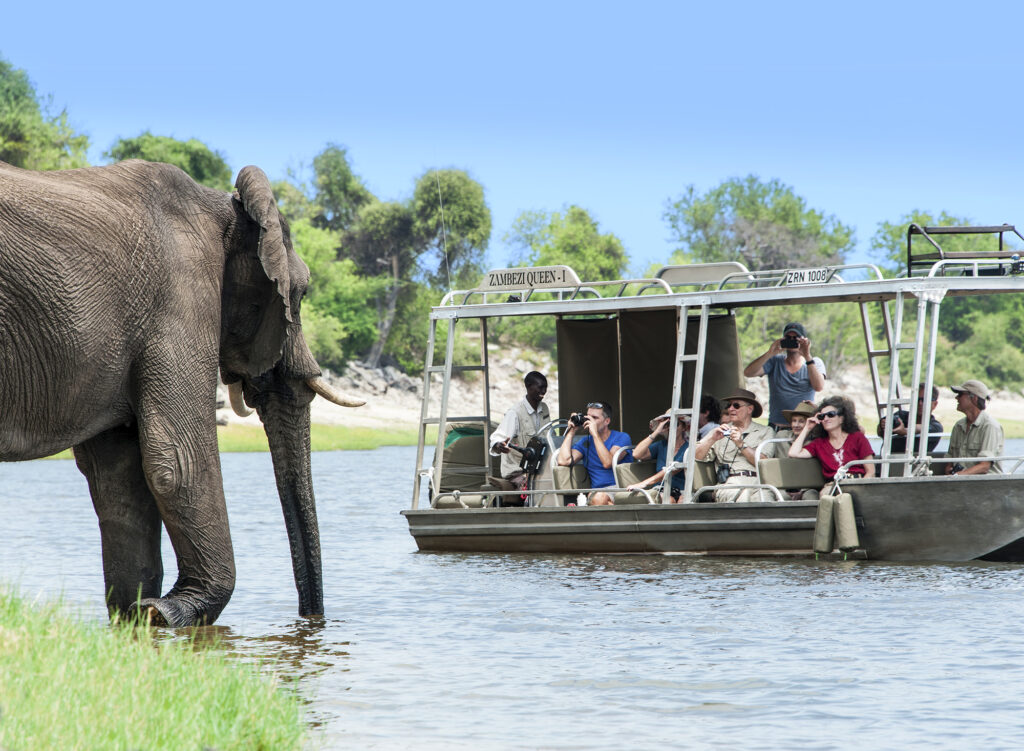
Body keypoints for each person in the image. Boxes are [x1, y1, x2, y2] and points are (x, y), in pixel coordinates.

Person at [694, 389, 776, 502]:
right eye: (729, 405)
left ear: (749, 409)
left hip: (759, 482)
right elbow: (696, 456)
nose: (730, 409)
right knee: (744, 496)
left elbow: (763, 461)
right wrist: (711, 439)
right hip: (730, 483)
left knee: (767, 500)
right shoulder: (719, 431)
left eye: (736, 405)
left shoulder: (766, 431)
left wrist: (741, 444)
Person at [743, 322, 826, 430]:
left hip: (804, 427)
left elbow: (818, 386)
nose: (792, 341)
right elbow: (748, 373)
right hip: (777, 426)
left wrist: (807, 355)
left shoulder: (814, 362)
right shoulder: (774, 361)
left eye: (796, 338)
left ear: (804, 340)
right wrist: (770, 353)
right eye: (788, 338)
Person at [788, 396, 875, 490]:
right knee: (826, 496)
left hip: (856, 483)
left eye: (831, 414)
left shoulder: (857, 437)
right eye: (822, 416)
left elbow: (871, 472)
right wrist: (807, 428)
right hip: (833, 486)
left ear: (841, 418)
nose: (825, 418)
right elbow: (793, 453)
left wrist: (860, 489)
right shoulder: (819, 443)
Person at [556, 401, 631, 506]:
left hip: (619, 487)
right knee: (597, 497)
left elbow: (608, 462)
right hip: (597, 492)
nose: (590, 421)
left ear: (607, 421)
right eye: (588, 417)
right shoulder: (586, 442)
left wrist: (595, 434)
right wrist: (572, 431)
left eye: (595, 418)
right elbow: (563, 460)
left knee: (598, 498)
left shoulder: (622, 437)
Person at [489, 371, 551, 491]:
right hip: (518, 473)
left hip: (540, 471)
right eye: (540, 387)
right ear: (528, 386)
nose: (543, 391)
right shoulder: (515, 413)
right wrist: (499, 445)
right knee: (539, 488)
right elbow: (497, 437)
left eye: (545, 388)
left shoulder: (544, 408)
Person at [945, 380, 1004, 475]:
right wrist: (949, 469)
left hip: (984, 485)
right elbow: (950, 459)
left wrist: (957, 476)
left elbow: (984, 466)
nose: (956, 398)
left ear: (974, 398)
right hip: (960, 484)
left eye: (960, 394)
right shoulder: (958, 426)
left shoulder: (990, 426)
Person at [629, 411, 688, 502]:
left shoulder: (688, 448)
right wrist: (656, 431)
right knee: (668, 500)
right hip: (662, 489)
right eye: (668, 424)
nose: (671, 428)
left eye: (675, 424)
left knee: (682, 501)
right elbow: (637, 454)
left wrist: (644, 483)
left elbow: (672, 470)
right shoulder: (661, 445)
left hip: (682, 490)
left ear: (684, 427)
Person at [877, 385, 943, 455]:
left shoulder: (936, 427)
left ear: (935, 404)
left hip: (916, 464)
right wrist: (883, 424)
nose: (920, 403)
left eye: (924, 400)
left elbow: (921, 427)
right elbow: (880, 431)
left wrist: (905, 431)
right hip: (889, 462)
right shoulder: (901, 416)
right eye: (917, 399)